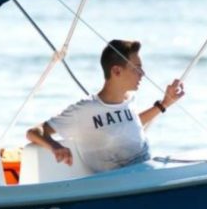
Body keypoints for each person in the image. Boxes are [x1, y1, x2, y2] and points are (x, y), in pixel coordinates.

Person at [26, 39, 184, 172]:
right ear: (116, 71)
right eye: (137, 68)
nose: (142, 73)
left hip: (147, 172)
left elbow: (129, 124)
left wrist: (164, 104)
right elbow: (34, 132)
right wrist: (54, 146)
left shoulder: (129, 99)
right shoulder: (84, 111)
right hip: (120, 185)